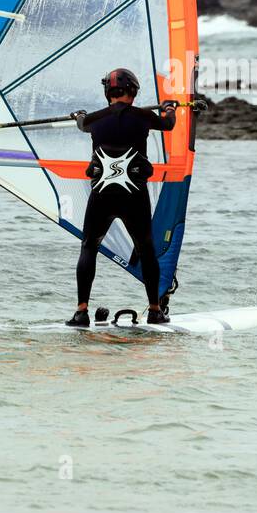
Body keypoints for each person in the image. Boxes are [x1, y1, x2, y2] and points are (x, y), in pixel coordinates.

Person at [66, 68, 178, 327]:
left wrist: (79, 116)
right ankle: (154, 310)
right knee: (146, 249)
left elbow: (82, 124)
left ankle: (81, 311)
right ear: (133, 92)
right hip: (133, 196)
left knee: (89, 247)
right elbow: (168, 124)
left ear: (108, 93)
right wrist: (170, 108)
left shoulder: (94, 120)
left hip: (102, 195)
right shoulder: (143, 117)